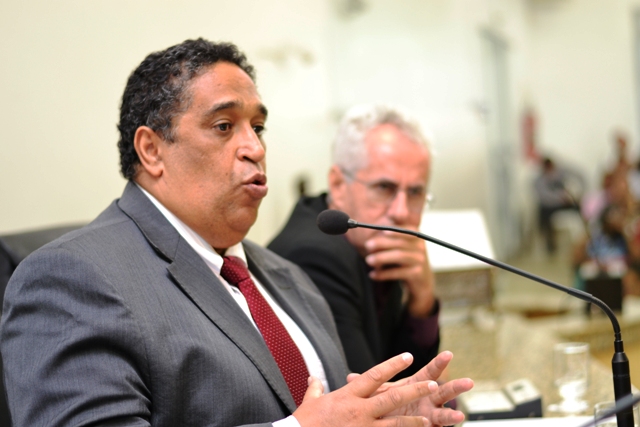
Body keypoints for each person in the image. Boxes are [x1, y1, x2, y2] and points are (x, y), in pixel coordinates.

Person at [0, 39, 473, 427]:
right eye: (224, 126)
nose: (254, 148)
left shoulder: (286, 277)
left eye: (258, 127)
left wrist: (388, 414)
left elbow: (331, 407)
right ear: (152, 151)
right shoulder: (70, 278)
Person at [269, 104, 439, 379]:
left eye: (415, 192)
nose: (401, 212)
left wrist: (422, 300)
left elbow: (408, 374)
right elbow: (374, 394)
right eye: (384, 188)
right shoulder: (316, 256)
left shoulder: (373, 244)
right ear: (338, 185)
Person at [533, 156, 584, 253]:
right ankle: (550, 243)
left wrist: (578, 192)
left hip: (565, 203)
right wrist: (560, 197)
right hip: (549, 206)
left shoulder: (561, 172)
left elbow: (578, 175)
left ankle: (584, 236)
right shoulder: (539, 180)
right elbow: (544, 196)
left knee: (580, 208)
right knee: (543, 215)